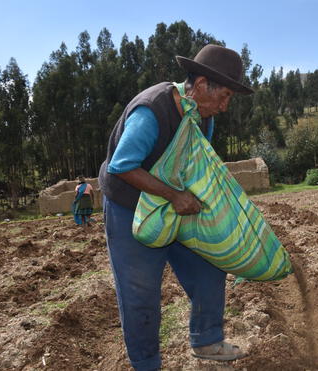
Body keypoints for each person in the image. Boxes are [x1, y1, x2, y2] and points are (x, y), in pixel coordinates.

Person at [98, 44, 254, 370]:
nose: (225, 107)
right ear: (199, 86)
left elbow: (196, 163)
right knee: (141, 292)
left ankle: (207, 340)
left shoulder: (200, 115)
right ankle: (146, 364)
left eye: (230, 99)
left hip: (175, 202)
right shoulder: (151, 111)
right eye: (223, 96)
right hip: (130, 204)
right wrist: (174, 196)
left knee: (210, 265)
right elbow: (122, 165)